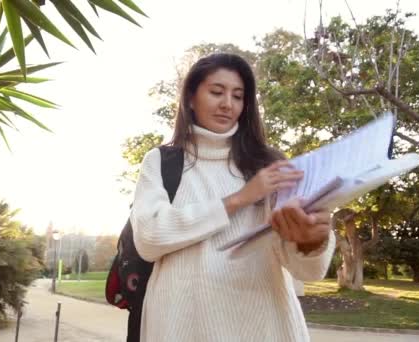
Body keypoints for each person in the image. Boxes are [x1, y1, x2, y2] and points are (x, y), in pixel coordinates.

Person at [130, 53, 335, 342]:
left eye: (238, 96)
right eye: (216, 92)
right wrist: (238, 199)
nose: (227, 104)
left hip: (264, 327)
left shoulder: (270, 165)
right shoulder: (162, 162)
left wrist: (312, 241)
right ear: (190, 98)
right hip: (181, 326)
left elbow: (307, 270)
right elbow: (149, 238)